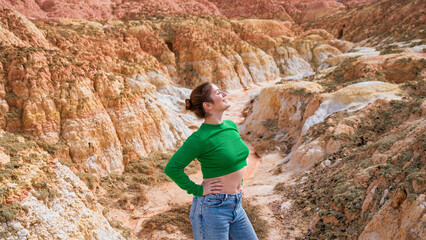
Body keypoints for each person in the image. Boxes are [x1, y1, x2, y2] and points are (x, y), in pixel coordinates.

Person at [164, 81, 258, 240]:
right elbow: (172, 168)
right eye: (218, 92)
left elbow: (236, 159)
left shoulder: (231, 126)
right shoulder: (200, 138)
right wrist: (198, 190)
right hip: (213, 208)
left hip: (236, 204)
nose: (224, 94)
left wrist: (239, 184)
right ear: (207, 105)